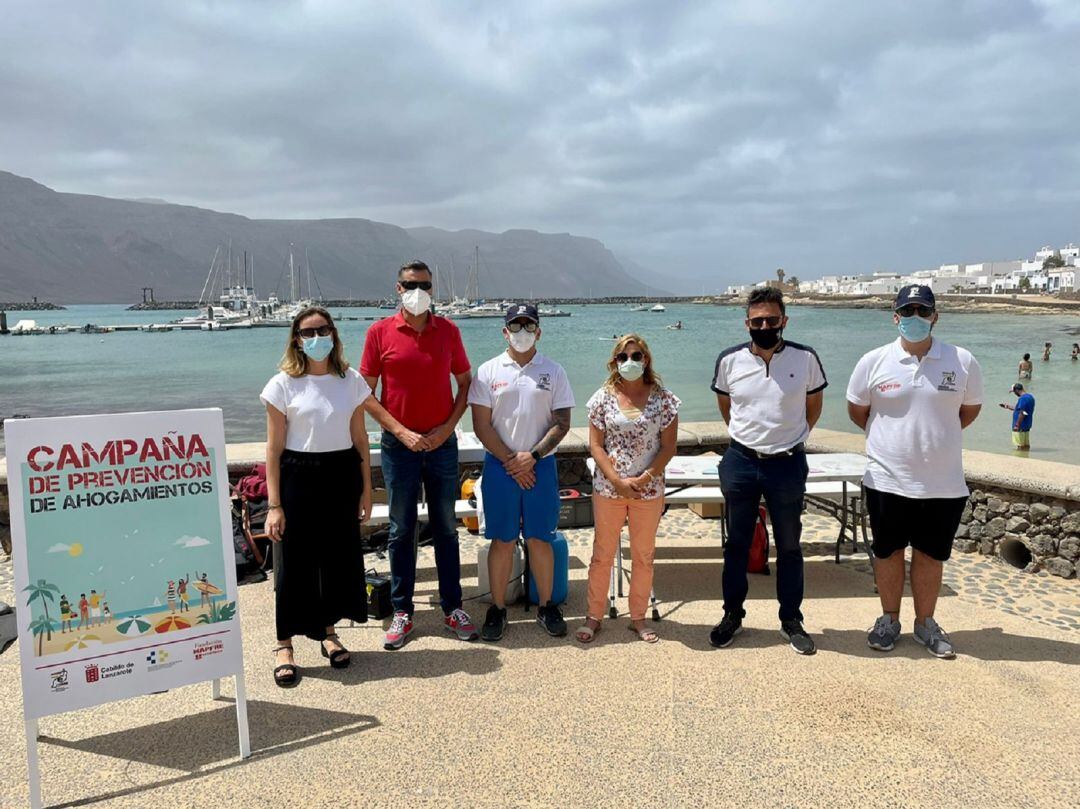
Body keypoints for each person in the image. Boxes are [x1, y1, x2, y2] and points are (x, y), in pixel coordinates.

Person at [847, 284, 982, 659]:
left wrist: (933, 437)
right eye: (908, 312)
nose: (915, 319)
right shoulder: (872, 361)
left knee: (930, 555)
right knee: (888, 552)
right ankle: (889, 620)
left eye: (923, 312)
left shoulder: (962, 361)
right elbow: (859, 411)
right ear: (895, 316)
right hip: (886, 479)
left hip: (943, 483)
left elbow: (967, 412)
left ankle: (925, 623)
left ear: (935, 316)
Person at [361, 260, 477, 650]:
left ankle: (453, 606)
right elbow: (365, 393)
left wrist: (446, 429)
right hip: (399, 447)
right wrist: (401, 432)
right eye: (411, 284)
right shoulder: (379, 333)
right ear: (398, 288)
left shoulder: (449, 331)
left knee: (446, 527)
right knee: (401, 530)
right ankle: (402, 612)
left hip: (443, 445)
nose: (418, 290)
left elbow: (465, 383)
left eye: (425, 284)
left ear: (433, 288)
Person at [709, 287, 826, 654]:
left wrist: (792, 439)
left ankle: (791, 619)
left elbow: (813, 407)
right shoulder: (729, 361)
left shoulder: (805, 359)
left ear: (784, 321)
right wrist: (749, 440)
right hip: (741, 462)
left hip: (787, 464)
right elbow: (727, 408)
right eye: (757, 321)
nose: (764, 326)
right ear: (746, 324)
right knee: (736, 545)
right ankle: (732, 615)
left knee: (790, 545)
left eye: (771, 320)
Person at [262, 305, 373, 687]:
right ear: (296, 338)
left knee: (334, 559)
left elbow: (360, 439)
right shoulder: (282, 384)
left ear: (334, 334)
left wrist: (366, 489)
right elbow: (273, 451)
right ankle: (284, 644)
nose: (316, 338)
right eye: (307, 332)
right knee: (293, 563)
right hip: (298, 476)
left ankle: (327, 632)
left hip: (341, 475)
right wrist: (274, 505)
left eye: (322, 330)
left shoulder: (351, 380)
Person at [468, 304, 575, 641]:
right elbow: (481, 426)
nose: (523, 332)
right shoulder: (487, 371)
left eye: (529, 326)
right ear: (505, 332)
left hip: (540, 466)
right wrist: (513, 461)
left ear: (539, 332)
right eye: (516, 326)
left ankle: (546, 606)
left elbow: (562, 422)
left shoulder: (554, 371)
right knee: (502, 540)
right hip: (500, 467)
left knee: (541, 538)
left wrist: (533, 456)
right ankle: (497, 609)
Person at [577, 334, 679, 644]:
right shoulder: (602, 398)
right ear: (614, 362)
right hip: (609, 490)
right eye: (623, 357)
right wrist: (617, 481)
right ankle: (593, 616)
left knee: (643, 556)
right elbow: (595, 445)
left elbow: (668, 447)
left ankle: (638, 617)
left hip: (648, 491)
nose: (629, 361)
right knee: (602, 555)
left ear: (646, 359)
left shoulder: (664, 399)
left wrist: (645, 478)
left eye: (636, 355)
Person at [1000, 382, 1035, 451]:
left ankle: (1020, 457)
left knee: (1020, 445)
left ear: (1016, 390)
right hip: (1027, 424)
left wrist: (1017, 425)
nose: (1015, 394)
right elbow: (1022, 410)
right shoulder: (1030, 397)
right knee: (1026, 445)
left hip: (1021, 425)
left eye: (1014, 392)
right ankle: (1026, 456)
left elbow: (1022, 413)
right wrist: (1007, 406)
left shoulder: (1022, 399)